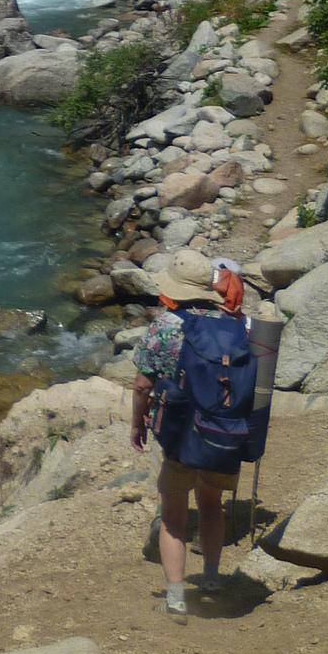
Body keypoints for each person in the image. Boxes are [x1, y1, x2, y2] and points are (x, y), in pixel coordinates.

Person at [129, 255, 247, 620]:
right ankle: (211, 579)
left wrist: (137, 423)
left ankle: (177, 597)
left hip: (180, 434)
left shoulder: (164, 325)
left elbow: (142, 384)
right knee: (211, 504)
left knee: (173, 517)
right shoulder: (233, 323)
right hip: (222, 431)